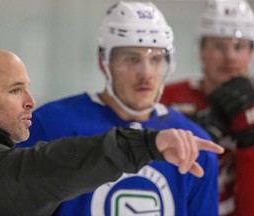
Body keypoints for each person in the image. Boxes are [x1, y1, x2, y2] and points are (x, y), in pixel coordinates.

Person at [0, 47, 225, 216]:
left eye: (156, 59)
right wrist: (140, 145)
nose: (30, 101)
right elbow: (37, 170)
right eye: (15, 90)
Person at [19, 1, 223, 215]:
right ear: (103, 63)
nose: (146, 73)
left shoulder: (193, 143)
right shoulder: (51, 124)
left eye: (155, 59)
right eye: (131, 59)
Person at [160, 0, 254, 215]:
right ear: (202, 50)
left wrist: (249, 144)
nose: (230, 56)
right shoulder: (168, 97)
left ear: (251, 53)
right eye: (219, 46)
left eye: (239, 47)